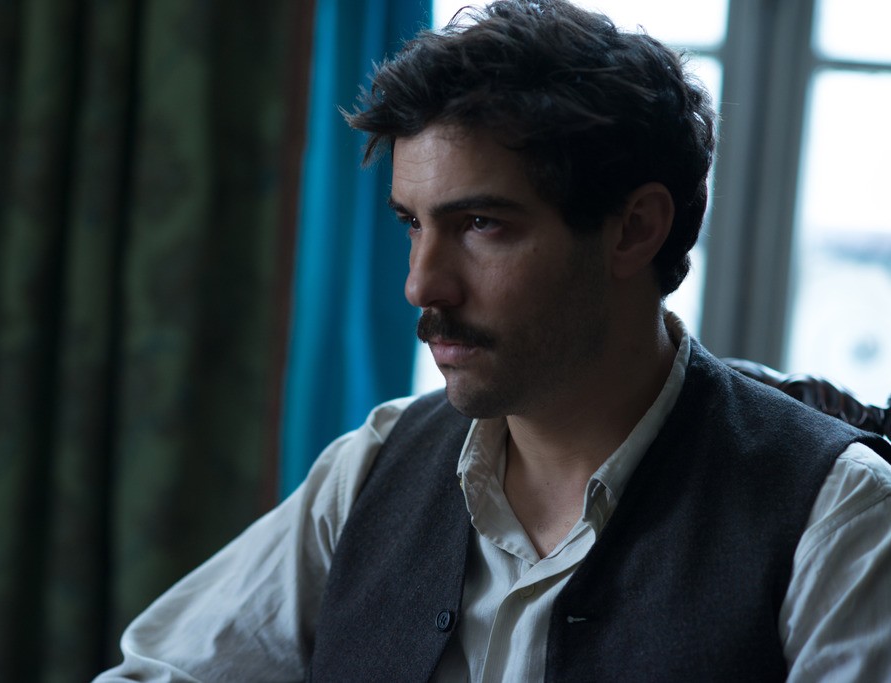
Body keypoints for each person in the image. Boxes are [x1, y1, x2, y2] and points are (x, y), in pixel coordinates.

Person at [96, 1, 891, 680]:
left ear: (634, 228)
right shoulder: (372, 467)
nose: (421, 285)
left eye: (480, 224)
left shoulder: (841, 517)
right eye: (412, 224)